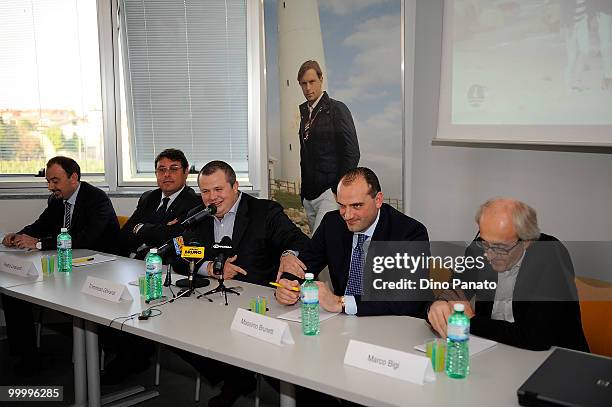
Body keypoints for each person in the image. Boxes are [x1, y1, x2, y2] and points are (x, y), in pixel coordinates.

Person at [174, 160, 310, 407]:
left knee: (276, 370)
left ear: (235, 186)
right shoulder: (197, 216)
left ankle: (244, 378)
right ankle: (237, 378)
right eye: (205, 192)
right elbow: (180, 255)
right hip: (212, 303)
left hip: (259, 304)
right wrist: (212, 268)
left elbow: (298, 241)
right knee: (177, 334)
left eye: (218, 190)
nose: (212, 198)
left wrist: (288, 254)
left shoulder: (265, 211)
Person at [1, 156, 120, 374]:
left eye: (55, 181)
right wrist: (19, 235)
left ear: (73, 178)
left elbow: (87, 239)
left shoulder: (96, 199)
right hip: (66, 264)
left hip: (100, 267)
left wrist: (38, 243)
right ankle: (27, 356)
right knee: (12, 293)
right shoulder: (57, 200)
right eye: (48, 181)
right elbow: (41, 224)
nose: (50, 187)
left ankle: (117, 348)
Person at [427, 198, 589, 352]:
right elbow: (452, 293)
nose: (489, 255)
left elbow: (537, 338)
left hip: (554, 359)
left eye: (500, 248)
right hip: (492, 350)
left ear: (526, 241)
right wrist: (438, 306)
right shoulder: (478, 250)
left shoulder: (550, 254)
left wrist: (472, 321)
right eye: (485, 243)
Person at [275, 167, 429, 317]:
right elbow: (304, 265)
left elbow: (409, 299)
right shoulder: (332, 224)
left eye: (357, 206)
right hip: (342, 323)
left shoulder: (409, 232)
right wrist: (286, 285)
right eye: (342, 205)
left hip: (389, 324)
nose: (347, 215)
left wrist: (340, 302)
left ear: (378, 200)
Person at [297, 60, 360, 233]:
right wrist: (303, 195)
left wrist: (335, 190)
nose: (308, 88)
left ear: (321, 79)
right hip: (309, 197)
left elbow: (352, 153)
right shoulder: (305, 117)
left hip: (328, 194)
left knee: (318, 247)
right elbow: (305, 157)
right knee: (323, 252)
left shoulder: (337, 109)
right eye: (304, 83)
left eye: (312, 82)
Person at [118, 148, 201, 258]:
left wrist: (140, 228)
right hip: (132, 259)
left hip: (165, 264)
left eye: (174, 169)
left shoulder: (194, 202)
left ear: (186, 172)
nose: (167, 174)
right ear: (156, 173)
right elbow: (125, 234)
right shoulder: (148, 197)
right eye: (161, 170)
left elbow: (177, 242)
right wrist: (161, 230)